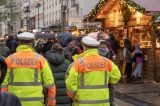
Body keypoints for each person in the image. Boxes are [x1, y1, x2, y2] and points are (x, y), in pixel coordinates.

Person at [1, 32, 56, 106]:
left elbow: (4, 83)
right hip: (35, 102)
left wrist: (5, 102)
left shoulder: (9, 59)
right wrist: (51, 103)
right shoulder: (40, 59)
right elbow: (50, 84)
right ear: (32, 42)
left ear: (19, 42)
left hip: (14, 101)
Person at [65, 36, 121, 106]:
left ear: (85, 47)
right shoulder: (107, 62)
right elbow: (116, 77)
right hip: (102, 102)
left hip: (82, 102)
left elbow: (70, 84)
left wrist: (72, 96)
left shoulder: (77, 63)